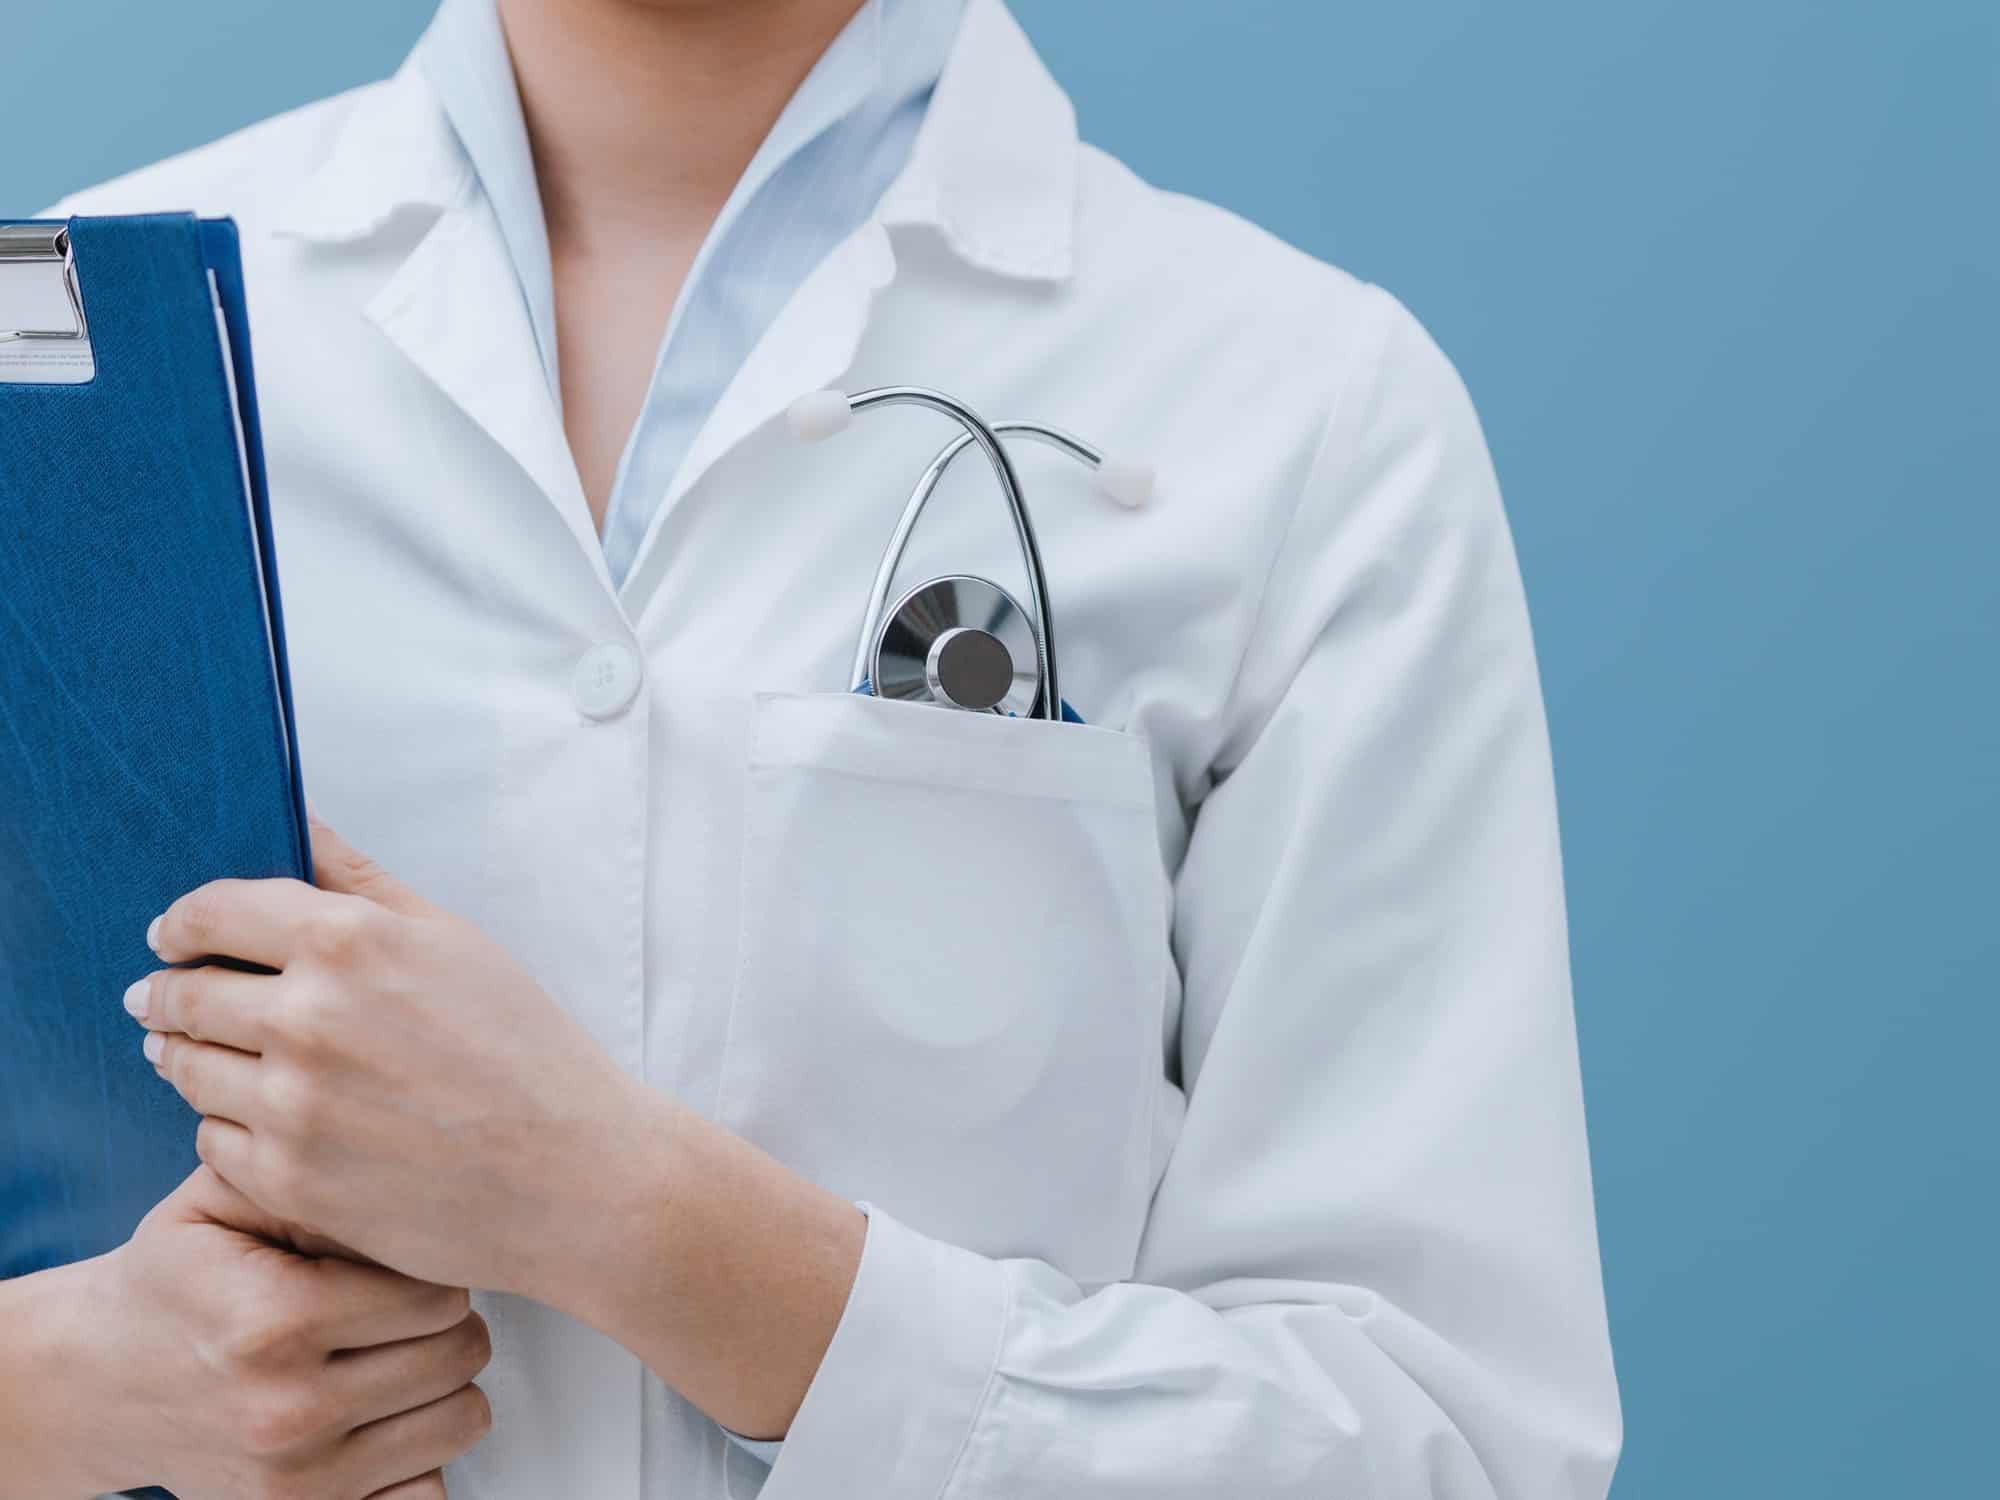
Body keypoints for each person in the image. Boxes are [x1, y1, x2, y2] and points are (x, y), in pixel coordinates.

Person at [4, 0, 1623, 1495]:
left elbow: (1450, 1447)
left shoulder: (1306, 416)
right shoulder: (62, 348)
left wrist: (638, 1222)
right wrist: (69, 1388)